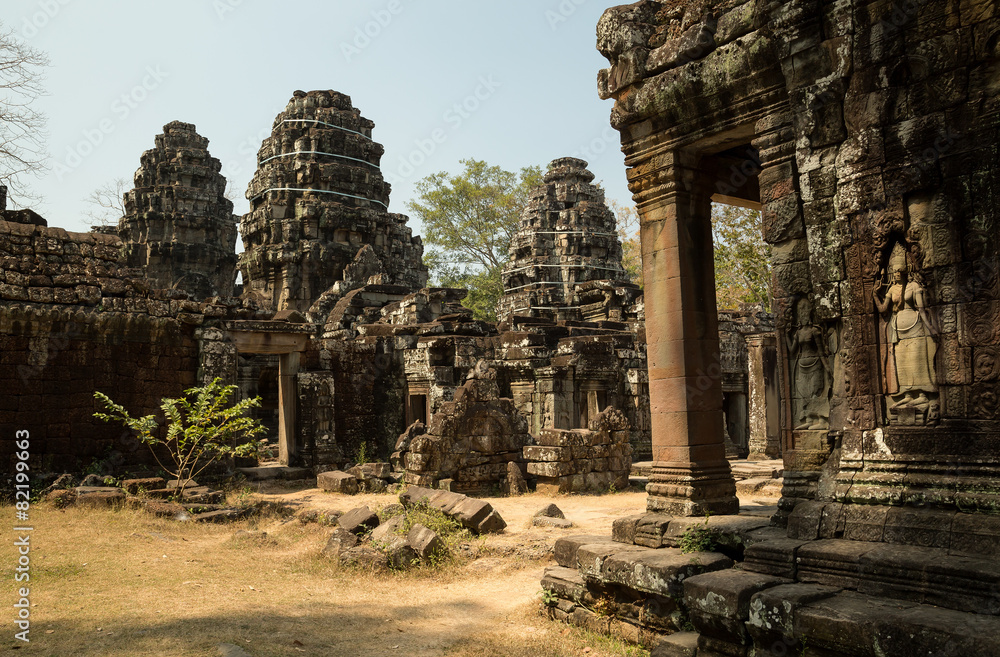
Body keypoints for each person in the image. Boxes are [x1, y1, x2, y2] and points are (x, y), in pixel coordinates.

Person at [873, 245, 938, 409]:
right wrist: (875, 294)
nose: (896, 273)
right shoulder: (892, 289)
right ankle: (908, 394)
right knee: (901, 361)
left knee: (916, 360)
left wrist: (931, 328)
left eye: (899, 270)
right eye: (894, 271)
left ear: (905, 270)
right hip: (898, 329)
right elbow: (883, 309)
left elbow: (921, 309)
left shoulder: (914, 286)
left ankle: (922, 395)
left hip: (916, 326)